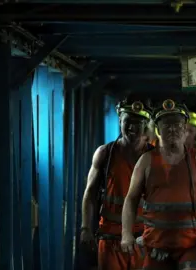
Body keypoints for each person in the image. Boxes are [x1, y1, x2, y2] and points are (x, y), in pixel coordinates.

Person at [121, 99, 196, 270]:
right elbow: (131, 199)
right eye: (167, 125)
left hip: (192, 243)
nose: (173, 129)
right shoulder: (146, 161)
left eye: (178, 125)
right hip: (156, 243)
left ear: (185, 129)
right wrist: (126, 234)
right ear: (158, 129)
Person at [80, 97, 154, 269]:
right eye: (128, 121)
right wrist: (85, 228)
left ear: (146, 125)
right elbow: (90, 193)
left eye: (138, 122)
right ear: (120, 120)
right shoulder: (105, 153)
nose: (132, 127)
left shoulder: (155, 157)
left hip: (144, 239)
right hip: (110, 237)